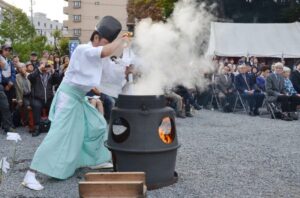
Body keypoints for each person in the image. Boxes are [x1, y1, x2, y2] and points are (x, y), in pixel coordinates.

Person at [22, 16, 128, 191]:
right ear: (96, 37)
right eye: (105, 42)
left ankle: (94, 160)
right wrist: (121, 41)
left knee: (97, 125)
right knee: (58, 135)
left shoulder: (99, 54)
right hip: (67, 97)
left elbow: (112, 73)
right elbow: (106, 52)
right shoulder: (82, 49)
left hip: (78, 99)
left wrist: (127, 69)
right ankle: (31, 174)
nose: (105, 45)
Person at [27, 60, 60, 136]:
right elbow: (30, 77)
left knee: (55, 105)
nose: (45, 67)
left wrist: (52, 71)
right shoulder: (36, 74)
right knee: (36, 106)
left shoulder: (51, 75)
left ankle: (54, 127)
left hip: (49, 98)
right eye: (43, 65)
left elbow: (58, 80)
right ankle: (37, 127)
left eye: (46, 65)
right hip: (37, 98)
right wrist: (39, 69)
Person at [15, 63, 34, 131]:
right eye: (19, 68)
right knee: (26, 105)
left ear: (25, 68)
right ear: (17, 69)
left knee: (33, 104)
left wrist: (25, 75)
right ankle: (26, 122)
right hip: (24, 96)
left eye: (22, 67)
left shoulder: (30, 75)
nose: (21, 69)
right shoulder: (17, 76)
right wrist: (19, 99)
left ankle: (32, 122)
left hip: (32, 95)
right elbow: (18, 89)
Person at [0, 44, 16, 110]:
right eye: (5, 50)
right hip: (2, 85)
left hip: (9, 86)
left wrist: (10, 83)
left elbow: (13, 73)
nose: (7, 52)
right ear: (1, 51)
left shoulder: (10, 62)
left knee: (9, 105)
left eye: (9, 50)